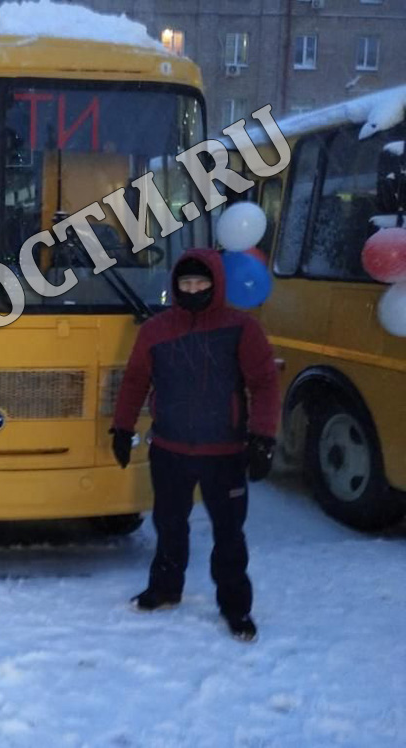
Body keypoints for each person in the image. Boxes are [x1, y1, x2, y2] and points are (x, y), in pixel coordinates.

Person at [110, 248, 280, 642]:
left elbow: (264, 384)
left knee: (229, 533)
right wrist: (121, 428)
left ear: (216, 283)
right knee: (169, 526)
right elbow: (136, 380)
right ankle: (165, 590)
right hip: (169, 449)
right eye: (185, 283)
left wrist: (262, 437)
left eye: (201, 283)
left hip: (225, 453)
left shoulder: (241, 328)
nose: (193, 289)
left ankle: (236, 608)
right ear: (175, 285)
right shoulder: (154, 330)